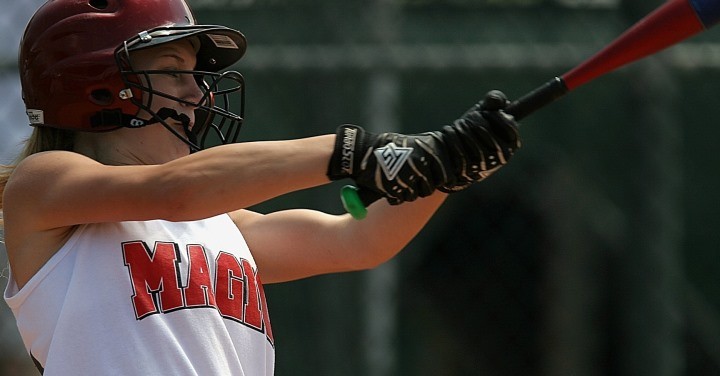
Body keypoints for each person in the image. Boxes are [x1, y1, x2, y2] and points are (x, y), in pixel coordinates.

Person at [0, 0, 521, 375]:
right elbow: (175, 191)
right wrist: (352, 153)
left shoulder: (219, 225)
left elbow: (359, 239)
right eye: (172, 70)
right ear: (95, 83)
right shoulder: (44, 185)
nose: (197, 91)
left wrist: (449, 170)